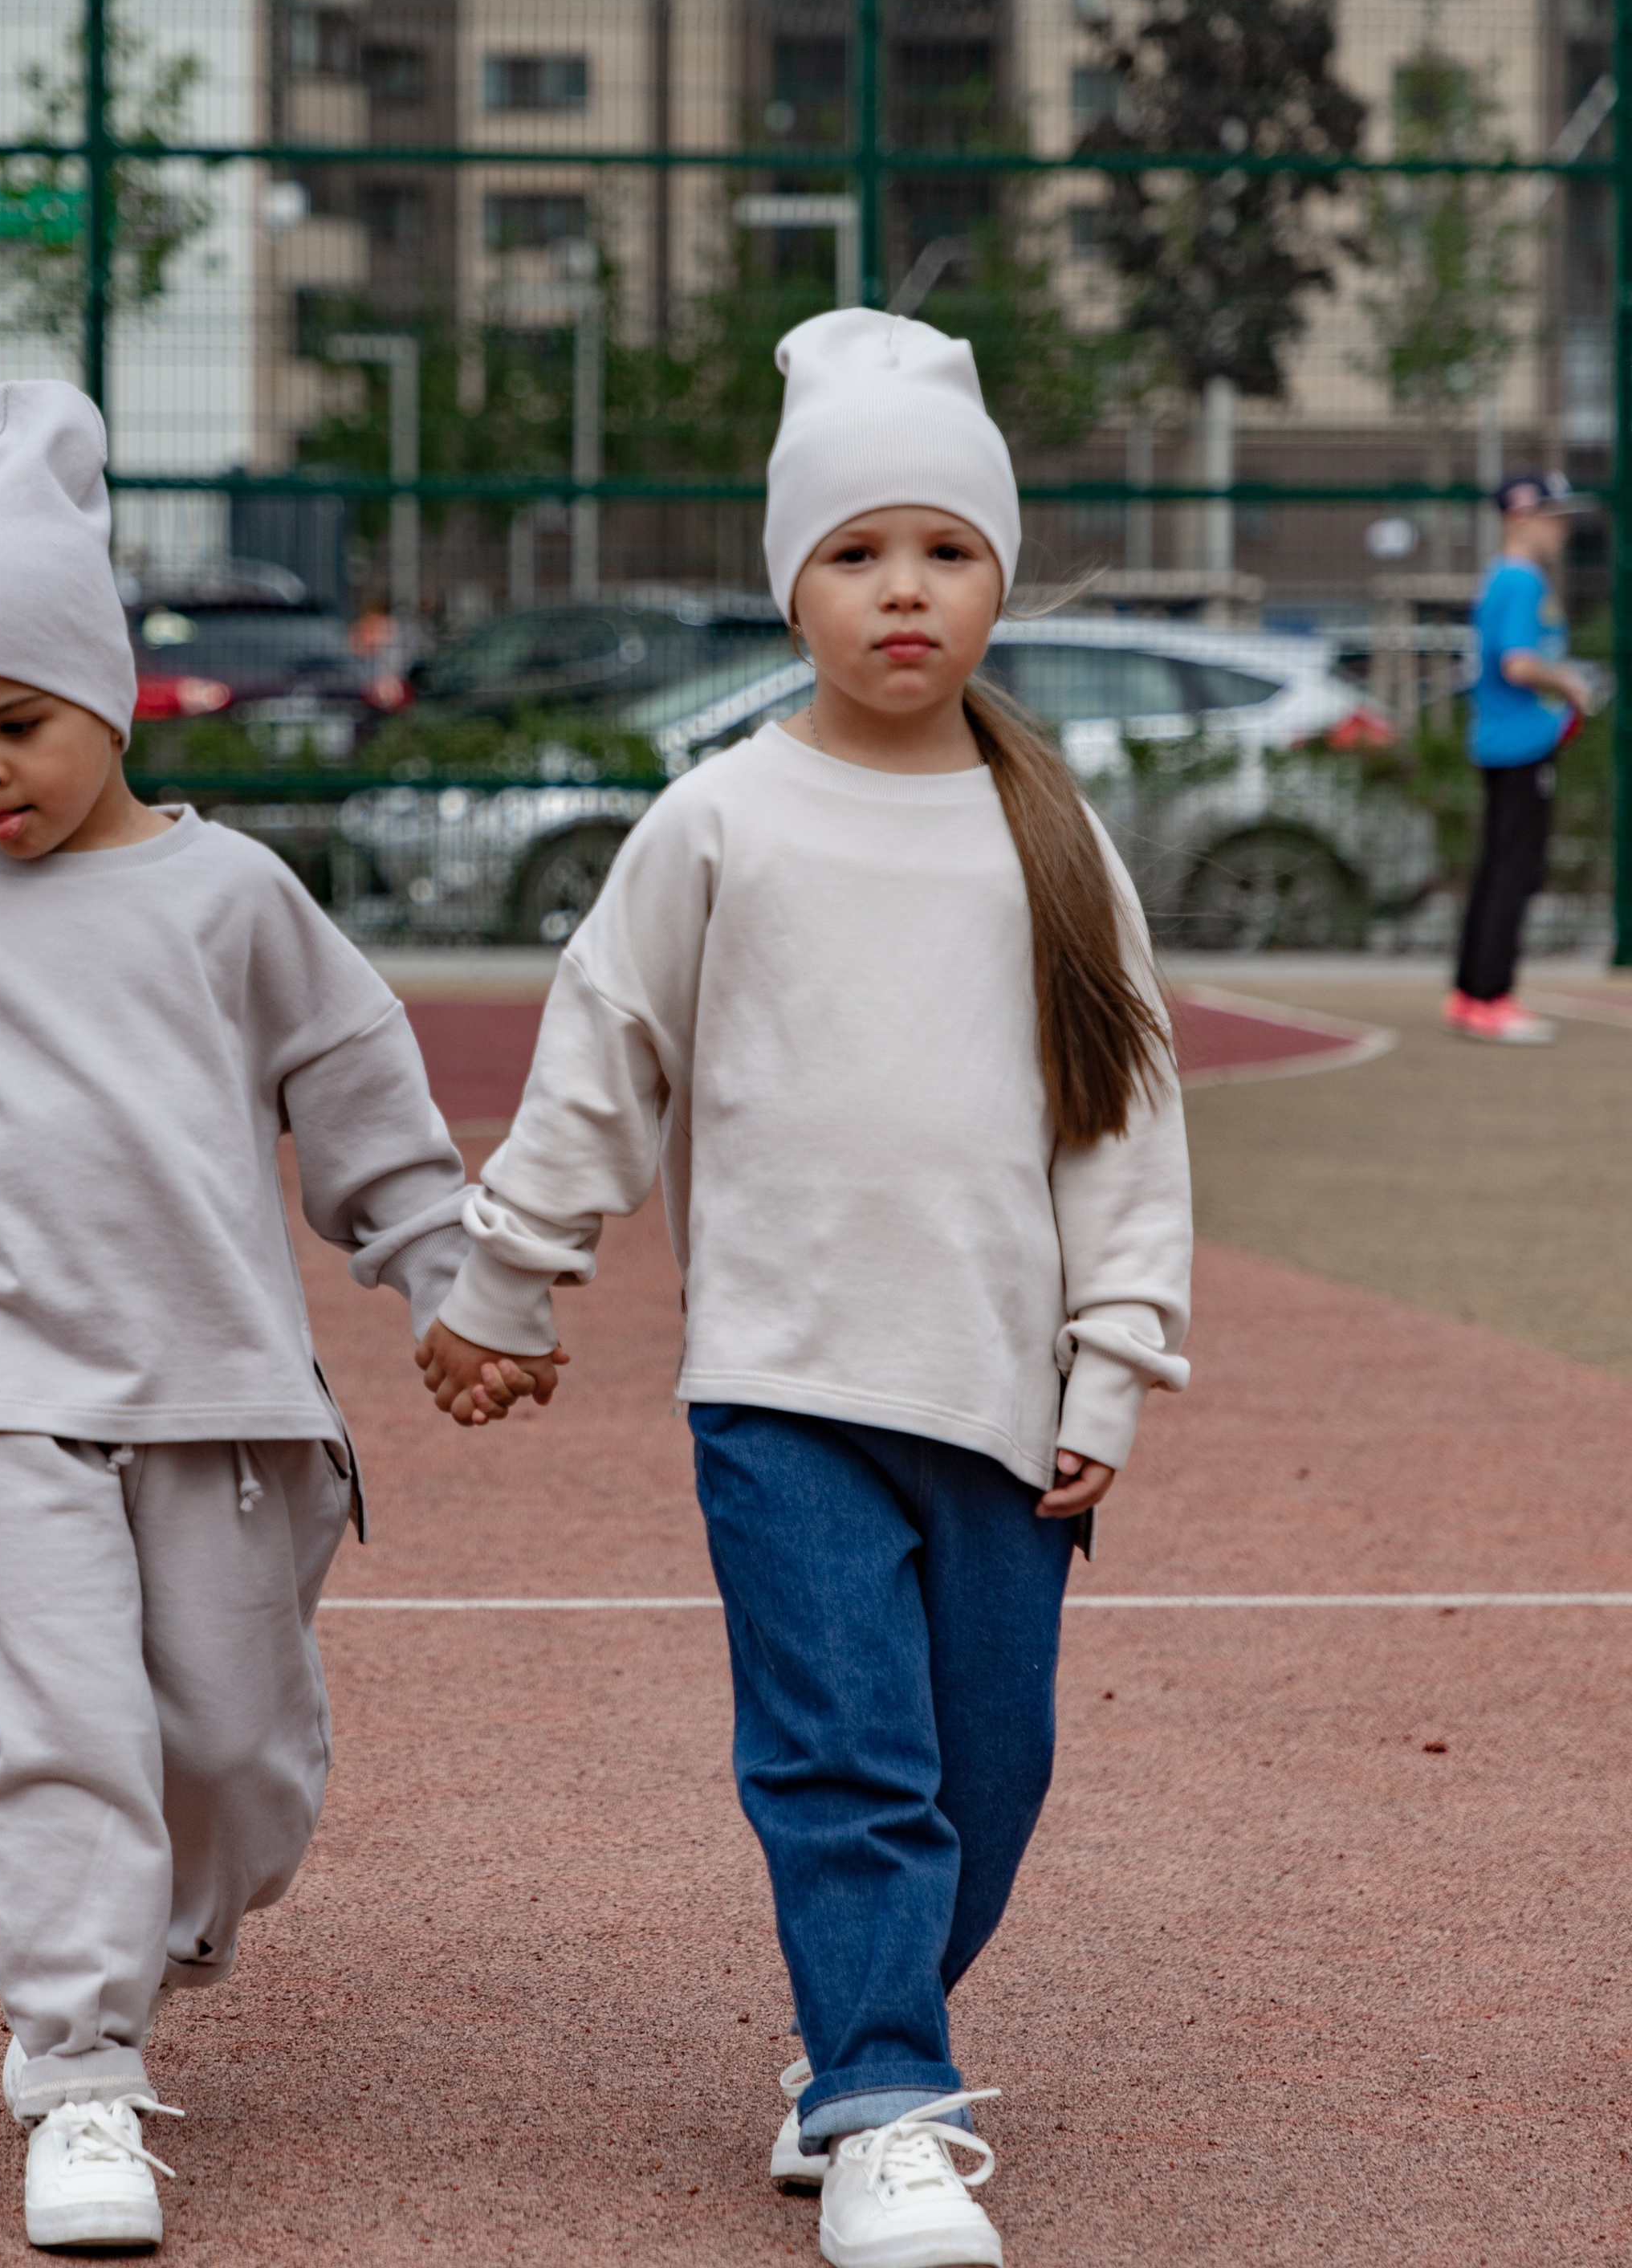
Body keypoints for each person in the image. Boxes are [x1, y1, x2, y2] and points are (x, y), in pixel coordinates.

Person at [417, 311, 1193, 2268]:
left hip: (1000, 1398)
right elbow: (602, 1056)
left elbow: (1125, 1116)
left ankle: (863, 2030)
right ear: (792, 582)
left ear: (998, 573)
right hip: (777, 1389)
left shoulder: (1049, 834)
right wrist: (504, 1281)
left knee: (985, 1771)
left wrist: (1109, 1358)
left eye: (939, 547)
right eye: (853, 553)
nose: (899, 588)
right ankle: (877, 2091)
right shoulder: (717, 817)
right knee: (845, 1753)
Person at [0, 381, 547, 2254]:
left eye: (17, 723)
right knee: (66, 1737)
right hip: (15, 1395)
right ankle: (75, 2068)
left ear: (108, 691)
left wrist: (450, 1284)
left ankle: (171, 1915)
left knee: (234, 1757)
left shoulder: (235, 896)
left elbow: (371, 1113)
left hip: (231, 1409)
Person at [1445, 469, 1594, 1047]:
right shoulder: (1522, 580)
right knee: (1515, 872)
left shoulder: (1504, 577)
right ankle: (1491, 998)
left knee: (1497, 869)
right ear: (1519, 517)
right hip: (1520, 746)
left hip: (1507, 744)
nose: (1561, 529)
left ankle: (1471, 994)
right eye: (1551, 517)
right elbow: (1517, 664)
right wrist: (1571, 685)